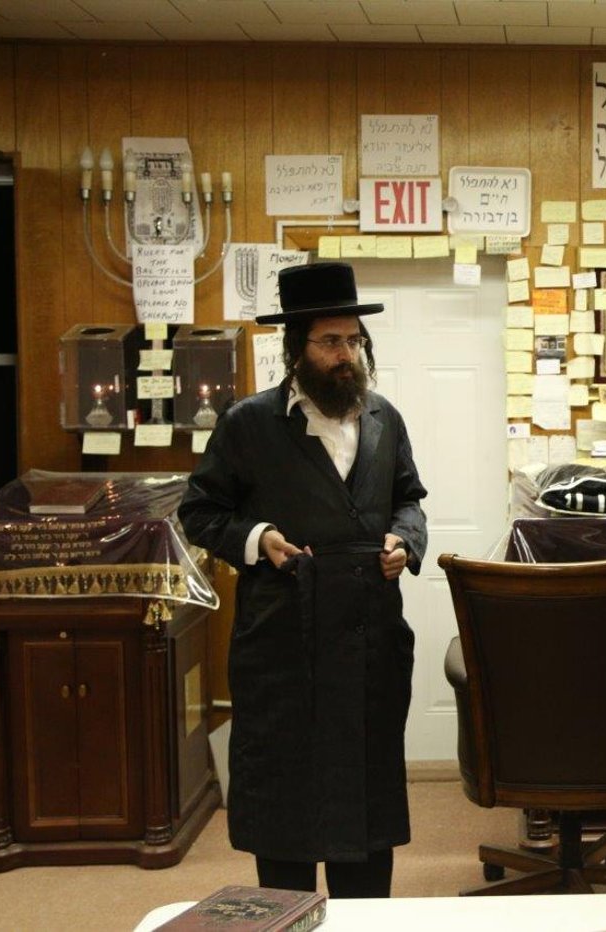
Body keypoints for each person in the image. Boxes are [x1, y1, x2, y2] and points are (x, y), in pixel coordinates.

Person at [179, 262, 428, 899]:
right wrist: (258, 538)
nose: (346, 355)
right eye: (330, 341)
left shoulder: (384, 417)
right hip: (283, 639)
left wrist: (405, 541)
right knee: (286, 804)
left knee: (364, 804)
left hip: (369, 638)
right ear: (297, 347)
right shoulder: (249, 423)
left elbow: (409, 499)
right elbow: (200, 512)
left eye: (353, 340)